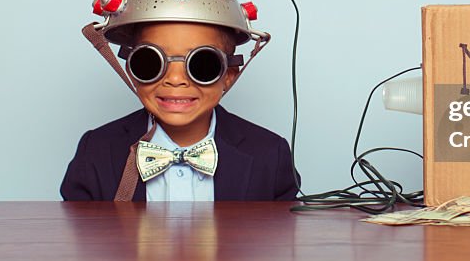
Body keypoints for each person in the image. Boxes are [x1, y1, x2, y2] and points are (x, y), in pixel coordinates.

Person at [60, 18, 300, 201]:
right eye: (151, 61)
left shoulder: (270, 155)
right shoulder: (96, 151)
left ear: (228, 75)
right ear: (132, 72)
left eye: (202, 63)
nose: (175, 79)